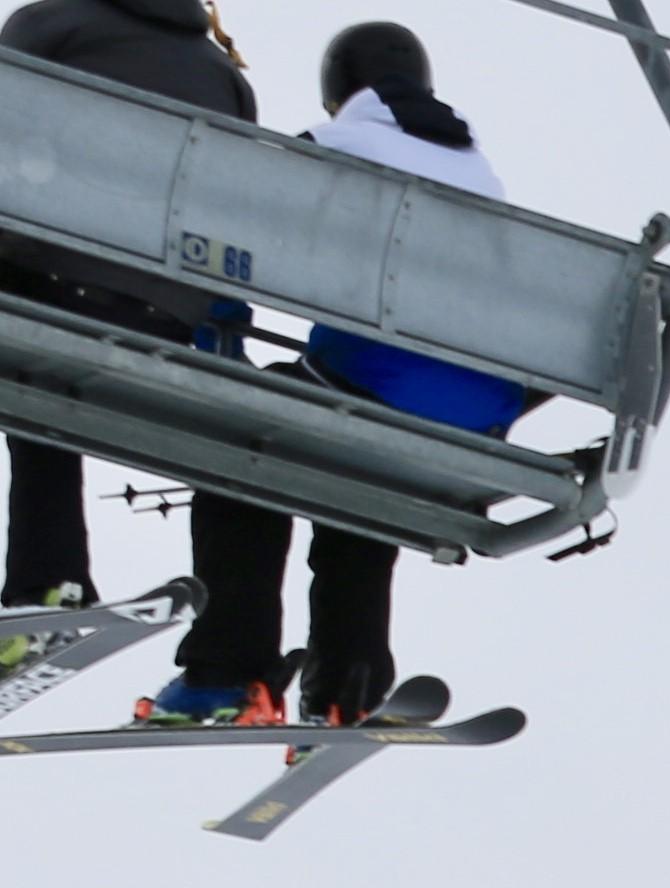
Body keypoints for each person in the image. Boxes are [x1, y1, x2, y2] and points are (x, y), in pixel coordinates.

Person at [146, 20, 519, 726]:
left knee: (245, 438)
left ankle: (228, 666)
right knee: (360, 483)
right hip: (477, 409)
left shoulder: (343, 142)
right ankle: (349, 682)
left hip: (378, 379)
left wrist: (213, 332)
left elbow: (239, 228)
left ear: (337, 92)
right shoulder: (481, 170)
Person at [0, 0, 256, 613]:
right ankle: (49, 582)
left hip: (52, 282)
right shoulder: (226, 77)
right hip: (165, 318)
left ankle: (48, 583)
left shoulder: (51, 24)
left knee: (33, 377)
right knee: (39, 399)